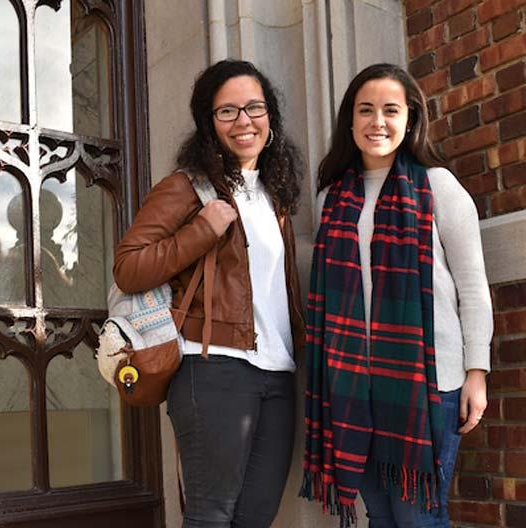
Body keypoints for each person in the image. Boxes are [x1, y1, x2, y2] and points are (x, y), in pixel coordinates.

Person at [113, 59, 305, 528]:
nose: (244, 121)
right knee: (210, 516)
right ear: (209, 123)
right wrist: (200, 230)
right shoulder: (186, 187)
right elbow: (128, 266)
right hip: (213, 366)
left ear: (270, 119)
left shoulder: (275, 195)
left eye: (254, 108)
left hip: (277, 374)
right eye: (227, 111)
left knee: (255, 516)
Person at [300, 63, 493, 528]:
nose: (377, 122)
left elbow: (472, 285)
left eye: (390, 109)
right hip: (351, 386)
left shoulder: (438, 186)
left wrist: (477, 372)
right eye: (365, 110)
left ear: (410, 119)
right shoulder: (333, 197)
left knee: (418, 516)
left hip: (430, 382)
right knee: (382, 517)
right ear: (350, 121)